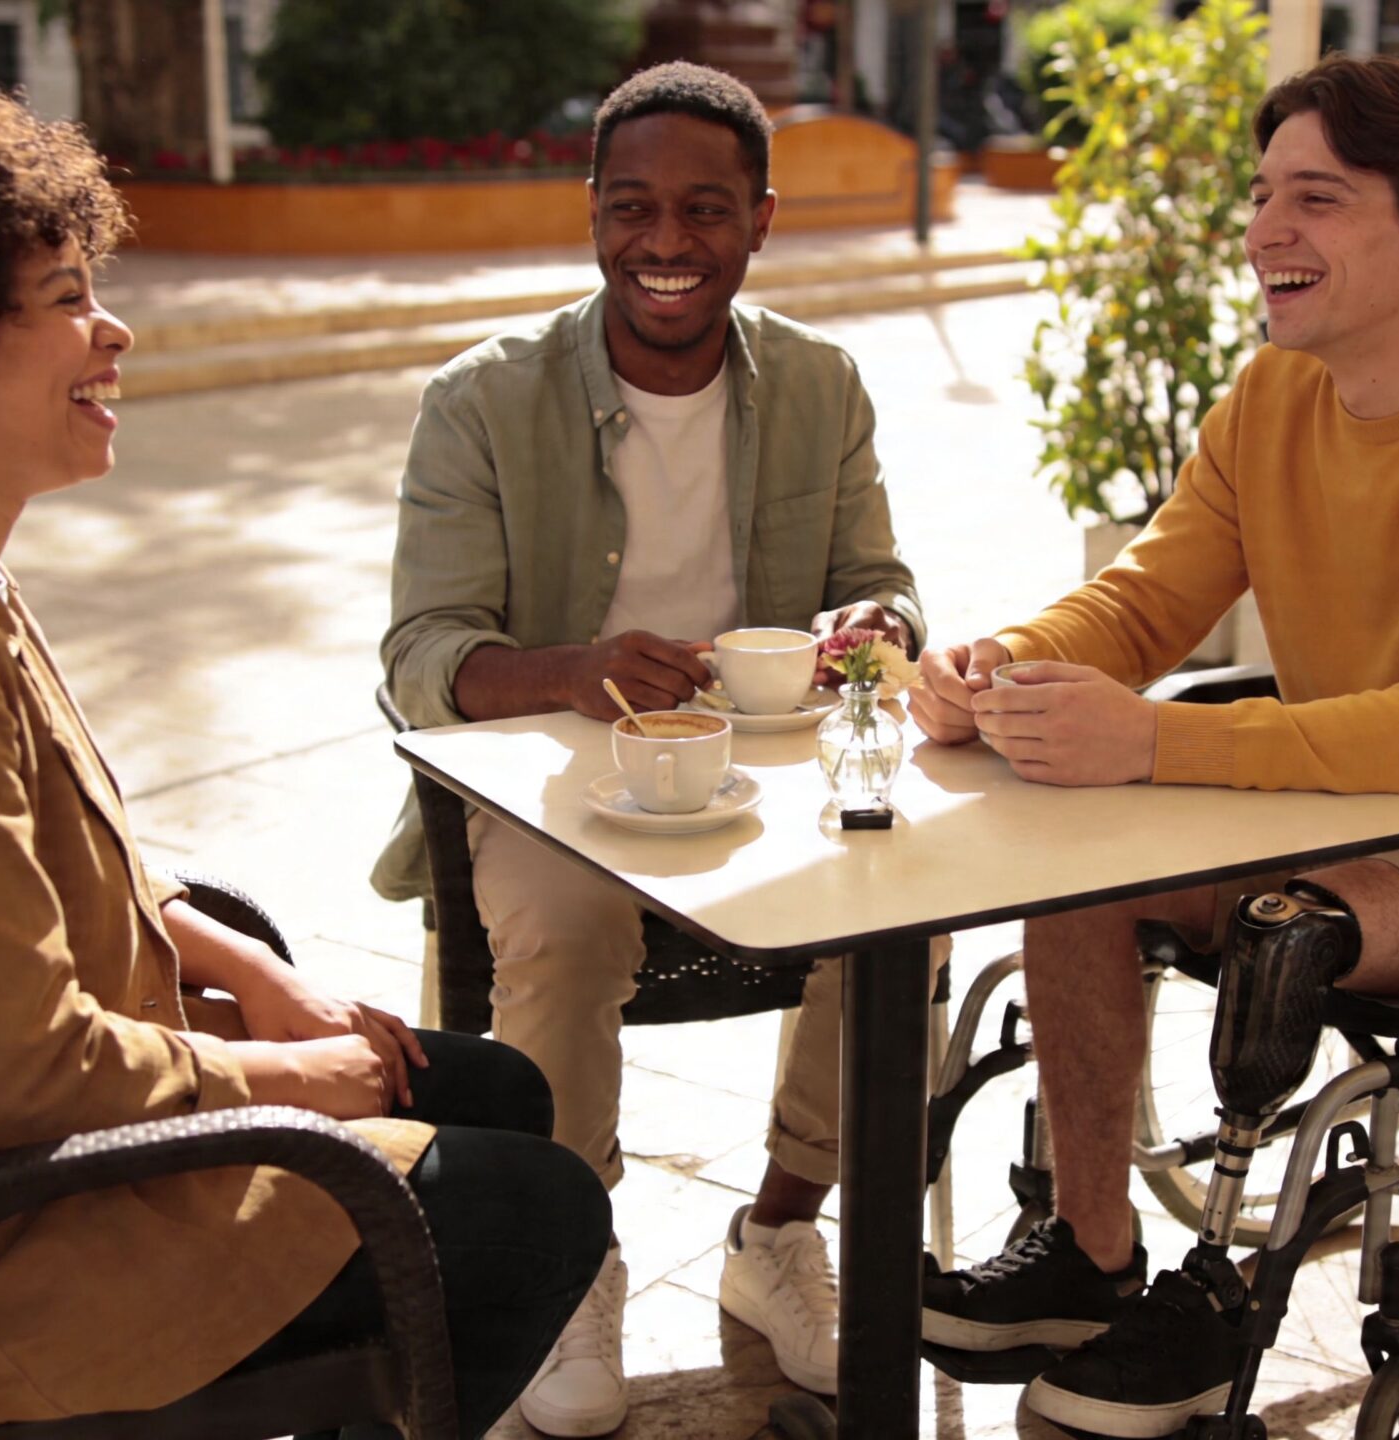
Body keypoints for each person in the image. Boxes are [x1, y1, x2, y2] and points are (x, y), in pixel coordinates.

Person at [0, 86, 607, 1437]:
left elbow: (46, 862)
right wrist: (309, 1082)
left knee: (498, 1091)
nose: (112, 331)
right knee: (537, 1210)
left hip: (25, 1146)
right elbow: (25, 1075)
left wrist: (255, 976)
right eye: (66, 299)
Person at [909, 56, 1399, 1438]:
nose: (1264, 231)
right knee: (1073, 855)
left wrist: (1158, 746)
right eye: (1262, 196)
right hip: (1336, 803)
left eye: (1316, 198)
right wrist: (1006, 661)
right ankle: (1089, 1249)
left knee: (1279, 920)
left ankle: (1215, 1298)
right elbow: (1142, 601)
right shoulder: (1270, 397)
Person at [373, 62, 928, 1435]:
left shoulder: (821, 381)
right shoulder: (480, 401)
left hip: (768, 773)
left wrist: (878, 622)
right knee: (560, 927)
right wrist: (575, 671)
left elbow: (887, 585)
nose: (665, 244)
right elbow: (421, 660)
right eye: (632, 208)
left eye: (703, 210)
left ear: (760, 220)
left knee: (914, 906)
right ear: (593, 215)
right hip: (553, 781)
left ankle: (779, 1235)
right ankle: (569, 1262)